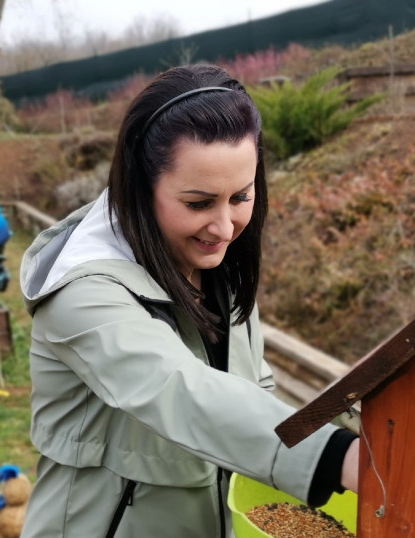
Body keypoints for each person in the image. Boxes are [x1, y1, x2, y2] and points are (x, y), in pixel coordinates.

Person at [19, 64, 359, 538]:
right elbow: (179, 390)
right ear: (140, 188)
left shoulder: (216, 265)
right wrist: (337, 456)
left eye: (240, 196)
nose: (224, 227)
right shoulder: (83, 293)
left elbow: (249, 395)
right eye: (199, 203)